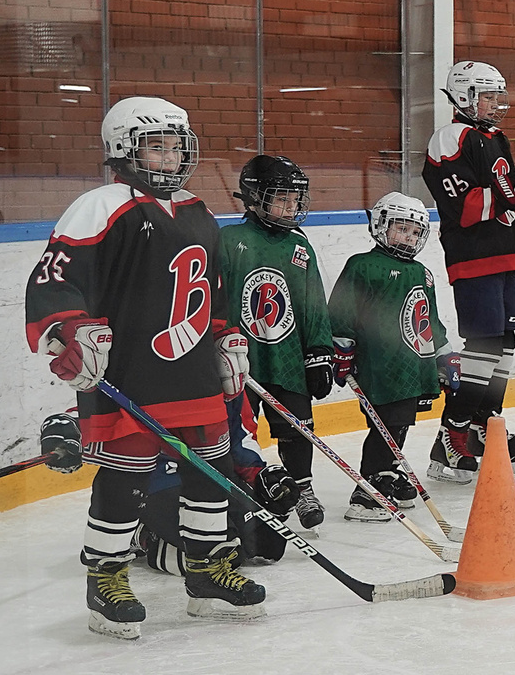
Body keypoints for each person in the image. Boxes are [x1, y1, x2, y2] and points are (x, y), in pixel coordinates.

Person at [25, 96, 264, 641]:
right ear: (123, 150)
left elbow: (214, 292)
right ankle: (105, 579)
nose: (170, 156)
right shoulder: (101, 205)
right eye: (156, 146)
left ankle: (206, 572)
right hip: (129, 373)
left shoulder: (199, 210)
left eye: (176, 145)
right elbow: (55, 279)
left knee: (211, 472)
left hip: (194, 372)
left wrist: (228, 338)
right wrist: (72, 330)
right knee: (126, 478)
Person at [421, 61, 515, 483]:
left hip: (508, 253)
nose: (496, 104)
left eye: (497, 96)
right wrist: (513, 191)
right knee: (484, 344)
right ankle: (452, 432)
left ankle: (484, 423)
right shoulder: (449, 139)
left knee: (504, 343)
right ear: (465, 95)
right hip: (474, 256)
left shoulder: (496, 138)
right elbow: (467, 207)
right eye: (488, 96)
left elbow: (507, 199)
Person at [214, 153, 334, 540]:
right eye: (281, 197)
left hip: (286, 359)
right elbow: (213, 300)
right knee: (238, 433)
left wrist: (319, 352)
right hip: (238, 361)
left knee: (298, 428)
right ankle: (251, 491)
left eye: (295, 199)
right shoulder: (229, 240)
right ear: (253, 197)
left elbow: (313, 302)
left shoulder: (300, 247)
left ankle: (303, 487)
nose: (291, 206)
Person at [326, 192, 450, 517]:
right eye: (401, 229)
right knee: (386, 426)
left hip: (411, 366)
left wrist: (444, 354)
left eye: (414, 232)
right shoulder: (363, 265)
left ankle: (388, 472)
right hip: (378, 365)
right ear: (381, 225)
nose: (408, 237)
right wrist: (341, 349)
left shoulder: (422, 272)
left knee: (399, 425)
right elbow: (341, 312)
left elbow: (429, 320)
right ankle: (367, 492)